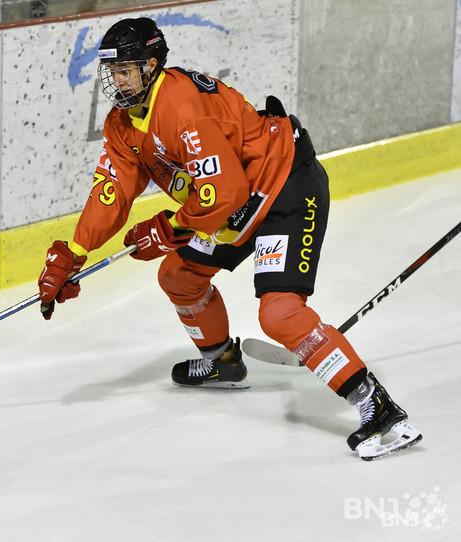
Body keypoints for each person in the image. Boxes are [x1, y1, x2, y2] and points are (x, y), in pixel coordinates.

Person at [37, 17, 422, 460]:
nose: (119, 81)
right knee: (179, 276)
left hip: (281, 187)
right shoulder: (123, 125)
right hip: (231, 205)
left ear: (153, 66)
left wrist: (170, 229)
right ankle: (222, 360)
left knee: (279, 313)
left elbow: (225, 192)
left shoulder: (180, 107)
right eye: (114, 72)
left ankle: (377, 407)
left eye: (128, 69)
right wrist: (75, 251)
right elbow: (113, 192)